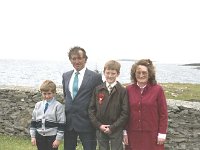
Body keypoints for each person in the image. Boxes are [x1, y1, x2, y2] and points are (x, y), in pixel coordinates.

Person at [62, 46, 103, 150]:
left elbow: (100, 99)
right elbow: (66, 96)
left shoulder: (95, 77)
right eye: (74, 58)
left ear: (85, 59)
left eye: (79, 58)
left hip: (87, 122)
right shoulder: (66, 76)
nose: (77, 61)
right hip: (69, 122)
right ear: (70, 60)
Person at [123, 59, 168, 150]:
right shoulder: (128, 89)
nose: (141, 75)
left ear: (150, 74)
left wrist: (162, 134)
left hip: (152, 136)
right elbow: (124, 113)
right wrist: (124, 132)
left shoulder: (158, 90)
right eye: (138, 72)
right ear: (134, 74)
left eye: (144, 72)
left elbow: (163, 114)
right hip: (133, 135)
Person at [88, 60, 129, 150]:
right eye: (108, 73)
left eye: (113, 73)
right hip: (101, 128)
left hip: (116, 129)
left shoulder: (122, 91)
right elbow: (91, 109)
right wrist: (99, 125)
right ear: (104, 72)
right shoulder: (98, 89)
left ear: (118, 74)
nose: (110, 76)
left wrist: (113, 127)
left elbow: (125, 112)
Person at [30, 80, 66, 150]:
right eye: (44, 94)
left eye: (49, 93)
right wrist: (33, 136)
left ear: (54, 93)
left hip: (52, 137)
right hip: (39, 136)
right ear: (41, 93)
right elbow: (33, 122)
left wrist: (58, 139)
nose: (47, 96)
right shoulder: (38, 105)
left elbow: (61, 124)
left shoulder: (58, 106)